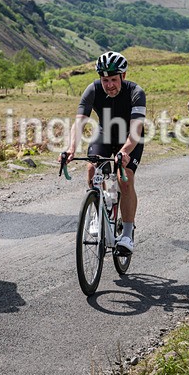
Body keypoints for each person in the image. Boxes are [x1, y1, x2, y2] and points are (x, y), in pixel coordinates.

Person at [62, 51, 146, 254]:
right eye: (105, 80)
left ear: (123, 77)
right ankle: (97, 210)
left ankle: (127, 234)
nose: (109, 85)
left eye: (114, 80)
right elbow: (79, 122)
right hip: (105, 133)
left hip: (130, 137)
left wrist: (125, 152)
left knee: (124, 178)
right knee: (92, 168)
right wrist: (71, 148)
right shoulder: (92, 89)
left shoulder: (136, 92)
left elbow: (136, 129)